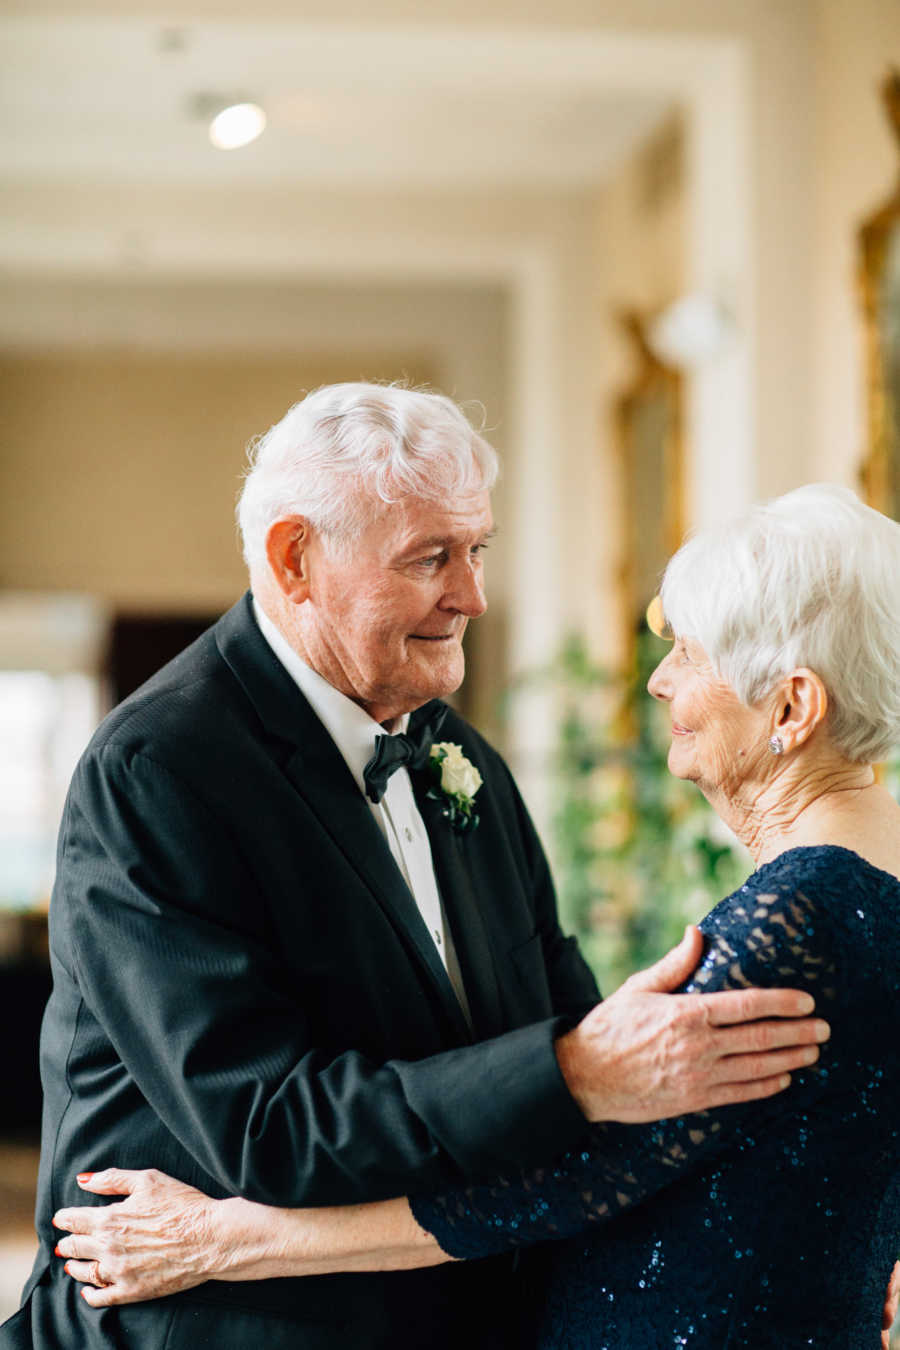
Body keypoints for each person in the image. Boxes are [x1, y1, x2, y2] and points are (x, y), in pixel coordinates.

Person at [2, 386, 824, 1350]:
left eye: (475, 550)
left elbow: (552, 1043)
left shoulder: (458, 755)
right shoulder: (161, 770)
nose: (472, 594)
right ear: (294, 560)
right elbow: (268, 1126)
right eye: (430, 557)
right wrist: (575, 1071)